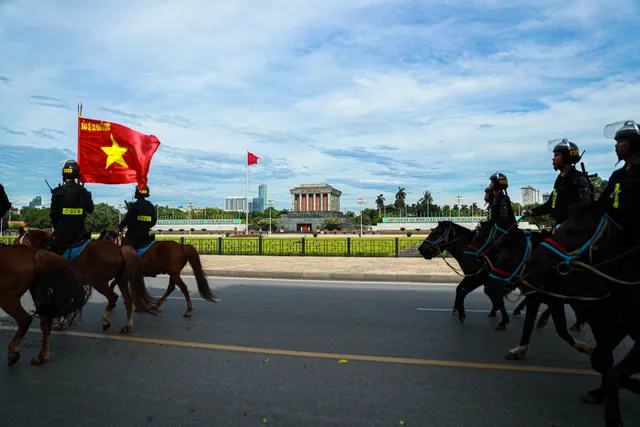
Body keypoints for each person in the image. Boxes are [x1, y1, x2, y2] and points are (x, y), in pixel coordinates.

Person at [522, 139, 592, 233]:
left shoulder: (578, 179)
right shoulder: (560, 180)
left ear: (566, 157)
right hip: (559, 228)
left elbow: (584, 209)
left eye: (556, 155)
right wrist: (531, 211)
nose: (553, 158)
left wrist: (565, 226)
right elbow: (550, 205)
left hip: (573, 232)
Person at [598, 119, 640, 246]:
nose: (616, 145)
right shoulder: (617, 175)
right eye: (616, 142)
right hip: (618, 237)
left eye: (621, 141)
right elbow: (602, 203)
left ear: (634, 143)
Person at [47, 160, 95, 254]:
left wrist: (57, 228)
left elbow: (53, 215)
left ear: (64, 176)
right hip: (81, 234)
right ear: (76, 175)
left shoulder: (57, 192)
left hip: (61, 234)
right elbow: (90, 210)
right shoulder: (83, 191)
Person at [118, 185, 157, 249]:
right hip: (146, 237)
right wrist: (145, 227)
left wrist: (119, 228)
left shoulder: (134, 206)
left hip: (132, 238)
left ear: (136, 193)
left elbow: (127, 220)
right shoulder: (151, 206)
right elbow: (154, 221)